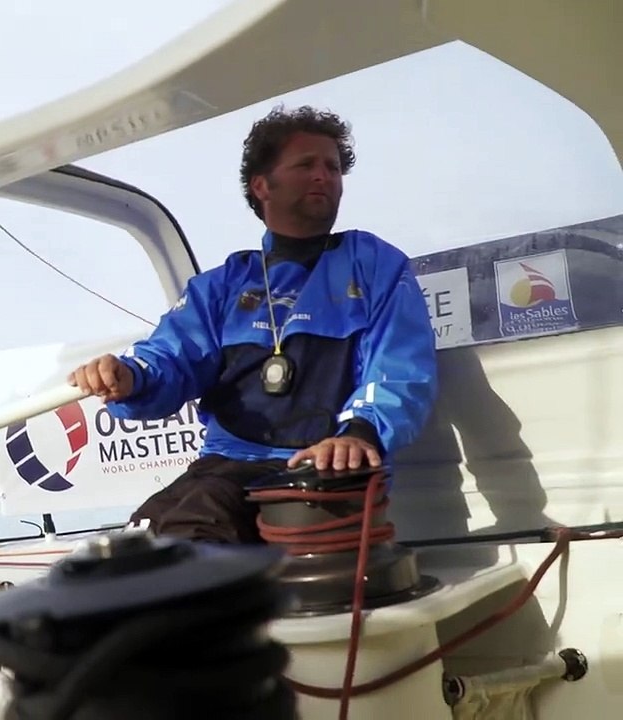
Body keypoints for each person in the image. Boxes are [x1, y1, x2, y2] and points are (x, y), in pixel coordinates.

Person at [68, 105, 439, 544]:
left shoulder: (374, 263)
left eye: (333, 167)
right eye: (306, 165)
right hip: (226, 464)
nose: (324, 176)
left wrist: (360, 433)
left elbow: (399, 367)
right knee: (136, 548)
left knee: (192, 549)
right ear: (261, 186)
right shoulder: (221, 286)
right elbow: (170, 358)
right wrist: (129, 377)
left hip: (324, 462)